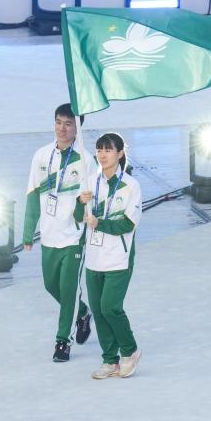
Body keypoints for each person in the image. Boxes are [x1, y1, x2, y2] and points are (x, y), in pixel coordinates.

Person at [23, 103, 94, 363]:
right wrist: (28, 232)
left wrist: (80, 214)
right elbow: (32, 195)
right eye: (58, 122)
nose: (62, 129)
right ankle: (82, 312)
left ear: (78, 128)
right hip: (49, 236)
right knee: (51, 286)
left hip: (74, 237)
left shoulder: (86, 161)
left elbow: (90, 202)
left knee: (68, 289)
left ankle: (63, 341)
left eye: (68, 124)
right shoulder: (41, 156)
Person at [75, 133, 143, 379]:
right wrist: (79, 202)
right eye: (99, 150)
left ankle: (130, 351)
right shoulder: (90, 182)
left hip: (118, 258)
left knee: (110, 307)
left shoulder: (130, 186)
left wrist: (100, 223)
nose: (102, 155)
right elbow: (77, 217)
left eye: (108, 150)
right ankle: (109, 360)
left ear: (120, 153)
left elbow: (128, 223)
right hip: (94, 257)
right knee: (98, 309)